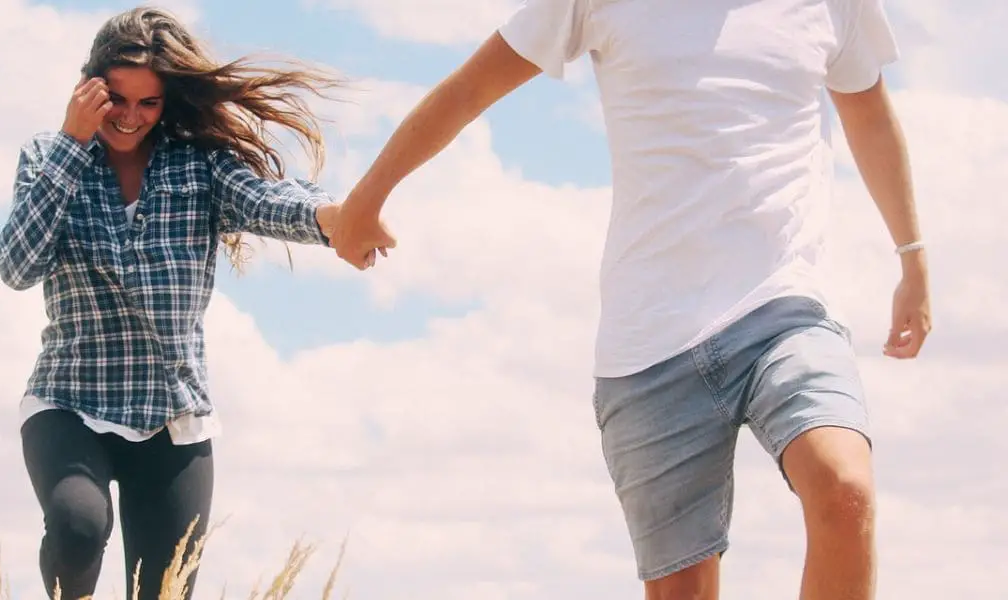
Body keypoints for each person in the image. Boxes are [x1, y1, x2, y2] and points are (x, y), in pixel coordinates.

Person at [329, 0, 929, 598]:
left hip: (786, 309)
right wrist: (366, 200)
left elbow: (869, 113)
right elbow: (469, 91)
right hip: (649, 344)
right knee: (682, 591)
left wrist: (913, 256)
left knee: (845, 489)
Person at [0, 7, 375, 599]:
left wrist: (337, 221)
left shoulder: (199, 165)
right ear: (88, 87)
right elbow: (17, 266)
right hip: (69, 401)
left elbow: (268, 201)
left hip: (173, 417)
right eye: (116, 99)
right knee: (78, 525)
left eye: (149, 103)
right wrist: (72, 143)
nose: (130, 117)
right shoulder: (48, 156)